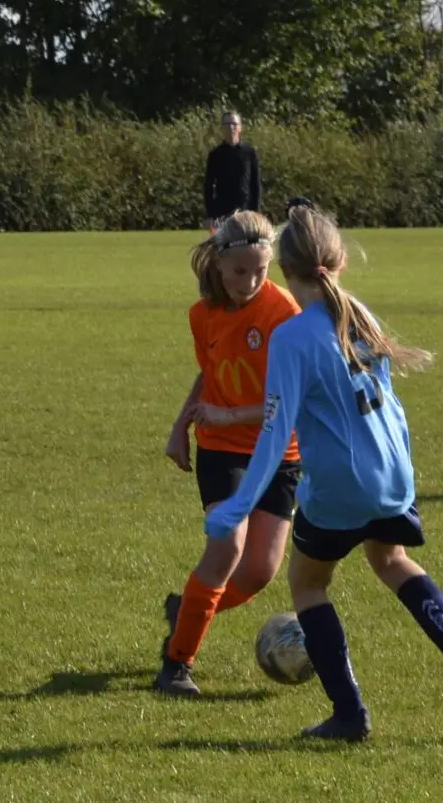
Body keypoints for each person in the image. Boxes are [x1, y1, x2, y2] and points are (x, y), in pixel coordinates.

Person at [203, 204, 443, 742]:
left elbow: (274, 432)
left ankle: (349, 714)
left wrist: (237, 509)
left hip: (338, 485)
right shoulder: (360, 314)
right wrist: (403, 478)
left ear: (286, 272)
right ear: (338, 263)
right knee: (391, 559)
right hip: (392, 475)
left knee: (308, 583)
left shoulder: (291, 336)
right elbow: (395, 410)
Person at [156, 210, 302, 696]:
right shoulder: (203, 316)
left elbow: (290, 400)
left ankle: (187, 611)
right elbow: (209, 373)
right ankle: (177, 665)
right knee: (227, 546)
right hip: (222, 450)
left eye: (261, 270)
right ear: (219, 265)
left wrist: (230, 413)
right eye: (240, 270)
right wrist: (181, 427)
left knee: (259, 572)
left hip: (279, 448)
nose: (251, 281)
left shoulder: (283, 314)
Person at [203, 111, 262, 233]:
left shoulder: (250, 153)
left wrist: (256, 213)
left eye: (234, 124)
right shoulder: (215, 155)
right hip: (221, 213)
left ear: (240, 127)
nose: (231, 127)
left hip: (246, 212)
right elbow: (208, 186)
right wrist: (210, 215)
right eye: (227, 124)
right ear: (222, 128)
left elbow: (255, 184)